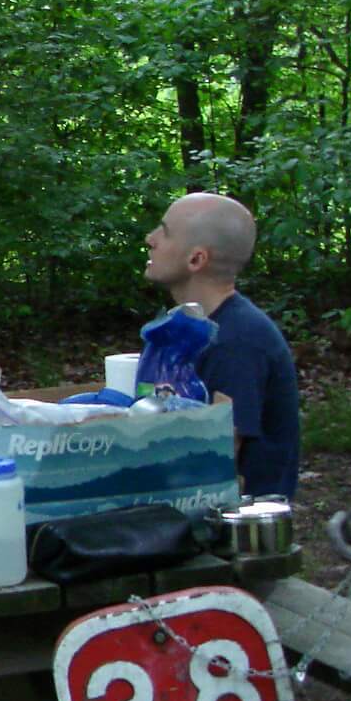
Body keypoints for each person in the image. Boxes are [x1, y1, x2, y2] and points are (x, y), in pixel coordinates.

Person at [142, 192, 301, 498]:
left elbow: (217, 459)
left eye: (164, 231)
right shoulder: (192, 330)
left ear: (196, 259)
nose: (151, 239)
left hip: (234, 532)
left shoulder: (237, 342)